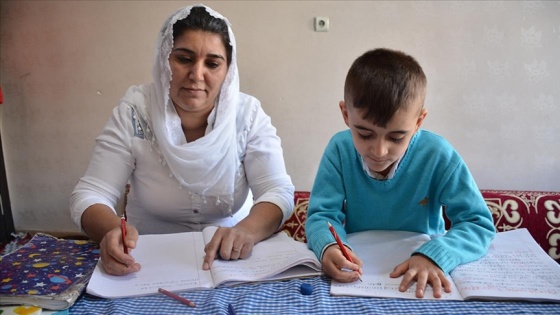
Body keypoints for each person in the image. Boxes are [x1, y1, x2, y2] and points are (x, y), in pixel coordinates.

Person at [70, 4, 294, 276]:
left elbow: (277, 191)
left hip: (232, 261)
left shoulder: (248, 115)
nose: (197, 75)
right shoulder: (135, 112)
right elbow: (91, 193)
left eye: (212, 64)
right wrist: (113, 231)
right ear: (163, 58)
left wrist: (246, 231)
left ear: (228, 71)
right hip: (147, 261)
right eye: (184, 59)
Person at [304, 48, 495, 298]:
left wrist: (435, 255)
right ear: (345, 114)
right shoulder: (339, 149)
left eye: (396, 137)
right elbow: (321, 215)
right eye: (364, 134)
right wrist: (327, 246)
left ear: (418, 122)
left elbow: (477, 222)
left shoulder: (438, 155)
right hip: (360, 279)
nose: (380, 151)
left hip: (424, 275)